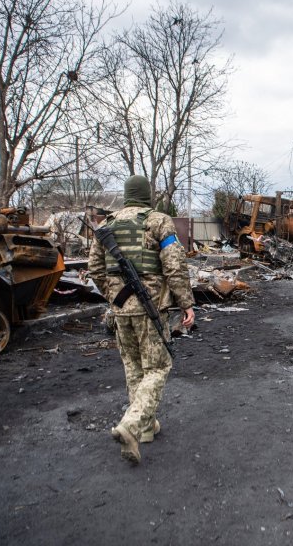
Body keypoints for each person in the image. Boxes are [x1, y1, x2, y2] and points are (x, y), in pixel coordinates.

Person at [88, 175, 195, 465]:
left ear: (126, 195)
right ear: (148, 195)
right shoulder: (159, 221)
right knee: (158, 367)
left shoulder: (106, 225)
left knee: (134, 367)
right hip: (152, 308)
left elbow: (95, 269)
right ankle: (132, 425)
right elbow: (174, 265)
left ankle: (146, 428)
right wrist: (185, 303)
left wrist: (113, 294)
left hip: (120, 309)